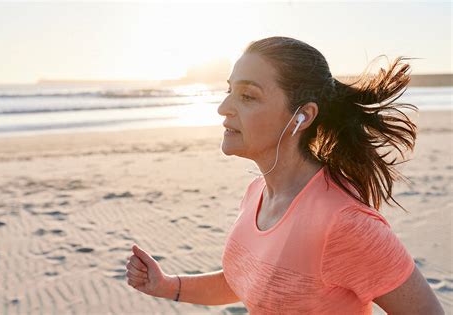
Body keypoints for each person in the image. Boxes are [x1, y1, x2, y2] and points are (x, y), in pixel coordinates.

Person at [125, 36, 445, 314]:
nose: (224, 107)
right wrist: (167, 286)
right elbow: (248, 280)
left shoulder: (344, 222)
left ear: (302, 116)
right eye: (229, 91)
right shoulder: (257, 192)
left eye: (248, 95)